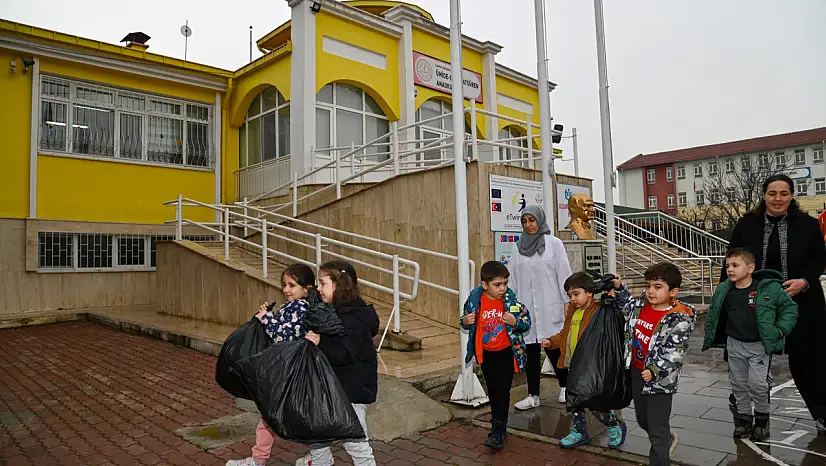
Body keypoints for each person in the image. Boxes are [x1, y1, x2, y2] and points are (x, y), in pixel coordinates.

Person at [725, 174, 826, 432]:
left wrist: (804, 281)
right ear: (764, 195)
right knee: (750, 362)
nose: (778, 199)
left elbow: (819, 261)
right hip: (754, 304)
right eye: (772, 193)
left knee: (809, 361)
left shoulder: (808, 225)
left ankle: (822, 413)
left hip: (801, 302)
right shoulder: (747, 225)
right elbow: (732, 261)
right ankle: (748, 415)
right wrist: (727, 297)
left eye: (784, 193)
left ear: (791, 196)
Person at [227, 264, 319, 466]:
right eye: (284, 285)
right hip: (288, 369)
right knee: (281, 416)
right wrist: (269, 316)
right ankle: (314, 457)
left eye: (292, 285)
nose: (286, 289)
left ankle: (259, 460)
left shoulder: (301, 307)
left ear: (307, 288)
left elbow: (283, 335)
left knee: (272, 416)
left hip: (290, 371)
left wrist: (267, 318)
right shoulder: (293, 305)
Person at [702, 248, 798, 440]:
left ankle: (762, 420)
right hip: (734, 345)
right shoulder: (724, 289)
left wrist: (780, 330)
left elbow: (789, 308)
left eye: (735, 265)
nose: (730, 269)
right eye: (727, 265)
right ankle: (743, 420)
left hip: (759, 346)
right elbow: (714, 313)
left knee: (758, 385)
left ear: (750, 268)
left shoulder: (767, 288)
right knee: (738, 384)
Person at [297, 260, 378, 466]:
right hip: (333, 386)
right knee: (319, 434)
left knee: (355, 441)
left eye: (322, 283)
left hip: (350, 390)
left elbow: (344, 352)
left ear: (339, 285)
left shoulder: (352, 317)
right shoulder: (336, 312)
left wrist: (320, 341)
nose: (318, 288)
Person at [615, 262, 695, 466]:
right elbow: (625, 305)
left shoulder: (679, 319)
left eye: (657, 287)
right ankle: (665, 440)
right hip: (636, 372)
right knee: (643, 420)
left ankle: (660, 457)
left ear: (673, 291)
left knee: (657, 429)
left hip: (660, 381)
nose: (650, 291)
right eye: (648, 285)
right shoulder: (640, 306)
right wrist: (619, 288)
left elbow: (674, 353)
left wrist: (655, 370)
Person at [541, 271, 628, 449]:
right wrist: (551, 342)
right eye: (570, 295)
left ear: (589, 292)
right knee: (575, 402)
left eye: (576, 294)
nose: (573, 299)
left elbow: (619, 309)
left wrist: (614, 291)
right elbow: (565, 334)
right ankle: (579, 432)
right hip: (573, 365)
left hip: (591, 366)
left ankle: (613, 425)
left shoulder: (599, 310)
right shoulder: (572, 311)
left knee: (594, 401)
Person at [461, 261, 531, 450]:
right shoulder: (475, 300)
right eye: (497, 285)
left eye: (505, 284)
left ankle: (497, 431)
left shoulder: (510, 301)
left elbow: (526, 322)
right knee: (493, 391)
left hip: (507, 353)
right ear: (485, 285)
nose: (502, 288)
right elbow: (465, 320)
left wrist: (515, 321)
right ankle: (500, 426)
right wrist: (465, 321)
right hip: (487, 355)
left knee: (502, 391)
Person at [509, 205, 573, 409]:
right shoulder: (517, 248)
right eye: (525, 221)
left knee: (554, 347)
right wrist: (512, 308)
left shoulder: (554, 244)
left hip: (550, 305)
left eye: (532, 220)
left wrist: (567, 301)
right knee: (531, 351)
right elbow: (513, 281)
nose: (529, 225)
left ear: (540, 220)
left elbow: (564, 274)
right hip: (526, 309)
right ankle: (533, 395)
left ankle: (566, 386)